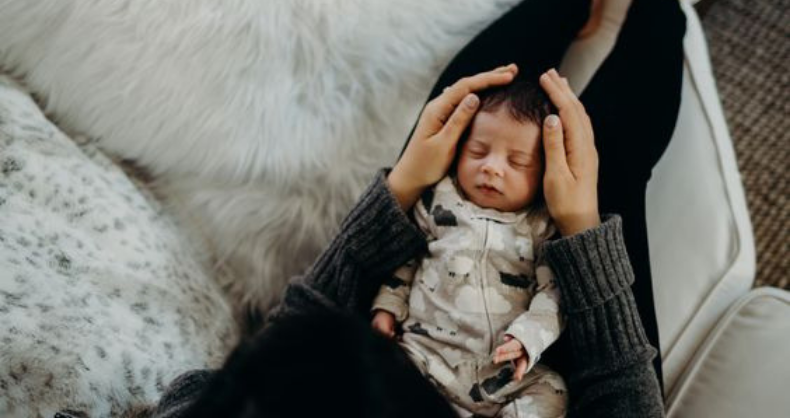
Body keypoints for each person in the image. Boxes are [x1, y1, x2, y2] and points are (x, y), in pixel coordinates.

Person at [150, 0, 686, 416]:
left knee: (467, 118)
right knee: (612, 172)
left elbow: (270, 351)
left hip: (397, 339)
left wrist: (403, 186)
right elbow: (620, 389)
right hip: (517, 377)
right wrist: (583, 230)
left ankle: (570, 7)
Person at [370, 81, 567, 417]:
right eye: (478, 151)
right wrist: (387, 307)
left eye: (517, 162)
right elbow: (407, 258)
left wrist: (528, 339)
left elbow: (553, 295)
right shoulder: (438, 201)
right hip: (425, 355)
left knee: (552, 390)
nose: (491, 167)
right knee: (381, 373)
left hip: (499, 372)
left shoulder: (540, 227)